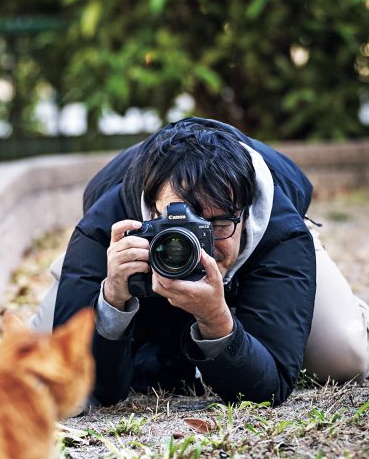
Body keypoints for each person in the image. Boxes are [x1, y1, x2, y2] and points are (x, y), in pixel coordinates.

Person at [31, 117, 369, 407]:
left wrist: (216, 320)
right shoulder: (107, 226)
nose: (198, 245)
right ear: (149, 211)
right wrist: (111, 299)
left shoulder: (279, 232)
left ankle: (354, 308)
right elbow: (82, 383)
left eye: (218, 225)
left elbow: (270, 386)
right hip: (116, 250)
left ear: (246, 213)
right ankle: (73, 272)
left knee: (345, 355)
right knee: (45, 361)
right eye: (177, 227)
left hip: (265, 251)